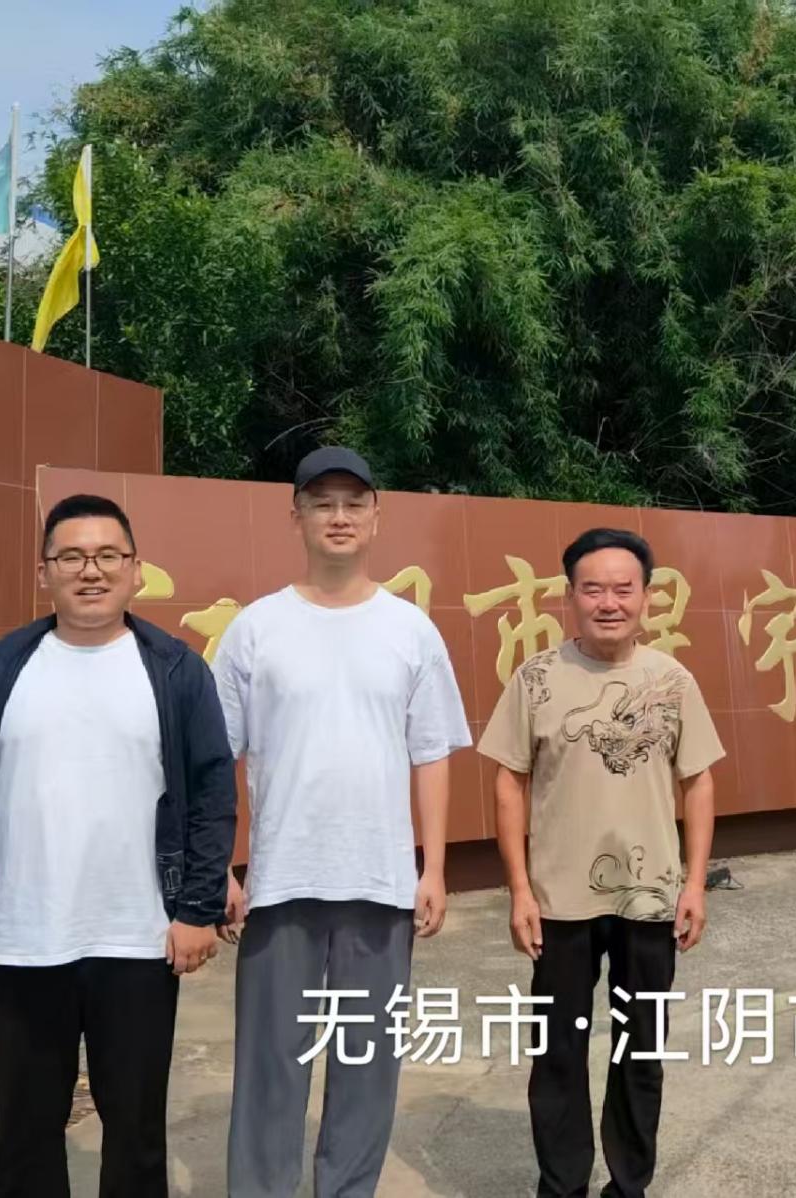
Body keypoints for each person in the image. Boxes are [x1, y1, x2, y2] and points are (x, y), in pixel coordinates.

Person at [0, 493, 238, 1198]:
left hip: (138, 940)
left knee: (136, 1135)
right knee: (25, 1136)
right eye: (72, 556)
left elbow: (212, 794)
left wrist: (197, 909)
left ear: (135, 570)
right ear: (43, 571)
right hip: (21, 940)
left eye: (109, 555)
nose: (91, 570)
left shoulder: (175, 671)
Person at [215, 446, 473, 1198]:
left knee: (367, 1060)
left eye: (353, 503)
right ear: (295, 515)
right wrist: (222, 867)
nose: (338, 516)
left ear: (376, 518)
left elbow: (430, 754)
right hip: (280, 882)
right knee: (271, 1063)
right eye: (322, 502)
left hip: (380, 881)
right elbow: (217, 756)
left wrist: (433, 868)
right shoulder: (256, 628)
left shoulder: (410, 630)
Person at [478, 527, 724, 1198]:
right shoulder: (536, 679)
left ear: (646, 597)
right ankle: (561, 1186)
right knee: (558, 1051)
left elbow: (699, 781)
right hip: (558, 900)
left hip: (651, 898)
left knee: (640, 1048)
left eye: (623, 589)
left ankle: (628, 1185)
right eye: (593, 589)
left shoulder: (671, 680)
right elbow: (509, 782)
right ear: (570, 597)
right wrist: (519, 889)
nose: (608, 603)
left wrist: (695, 884)